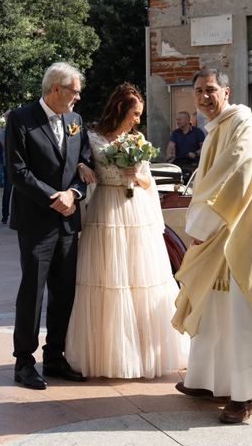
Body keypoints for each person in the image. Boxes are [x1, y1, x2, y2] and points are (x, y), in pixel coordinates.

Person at [172, 67, 252, 424]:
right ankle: (206, 379)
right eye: (198, 91)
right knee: (213, 308)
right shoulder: (218, 127)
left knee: (242, 315)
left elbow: (233, 175)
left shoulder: (243, 125)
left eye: (210, 90)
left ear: (226, 92)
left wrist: (202, 223)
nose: (203, 97)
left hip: (245, 236)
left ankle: (246, 395)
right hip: (221, 234)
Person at [64, 83, 188, 379]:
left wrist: (139, 176)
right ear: (120, 109)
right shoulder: (90, 135)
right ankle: (107, 355)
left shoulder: (137, 139)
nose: (136, 120)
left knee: (138, 279)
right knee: (106, 279)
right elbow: (74, 160)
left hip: (134, 212)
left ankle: (143, 353)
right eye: (134, 114)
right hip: (105, 207)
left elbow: (148, 181)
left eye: (139, 115)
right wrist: (82, 166)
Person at [6, 62, 92, 389]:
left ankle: (54, 356)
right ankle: (24, 363)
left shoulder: (75, 121)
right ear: (56, 89)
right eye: (74, 91)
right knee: (33, 293)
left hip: (69, 221)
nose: (78, 98)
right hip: (36, 221)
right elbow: (17, 171)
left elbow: (85, 166)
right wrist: (54, 197)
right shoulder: (21, 118)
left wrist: (72, 194)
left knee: (63, 293)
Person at [166, 111, 205, 181]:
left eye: (179, 120)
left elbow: (204, 147)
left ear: (187, 120)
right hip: (179, 161)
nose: (177, 122)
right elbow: (171, 146)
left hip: (194, 162)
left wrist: (195, 154)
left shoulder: (197, 132)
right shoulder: (175, 133)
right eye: (177, 120)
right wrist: (169, 155)